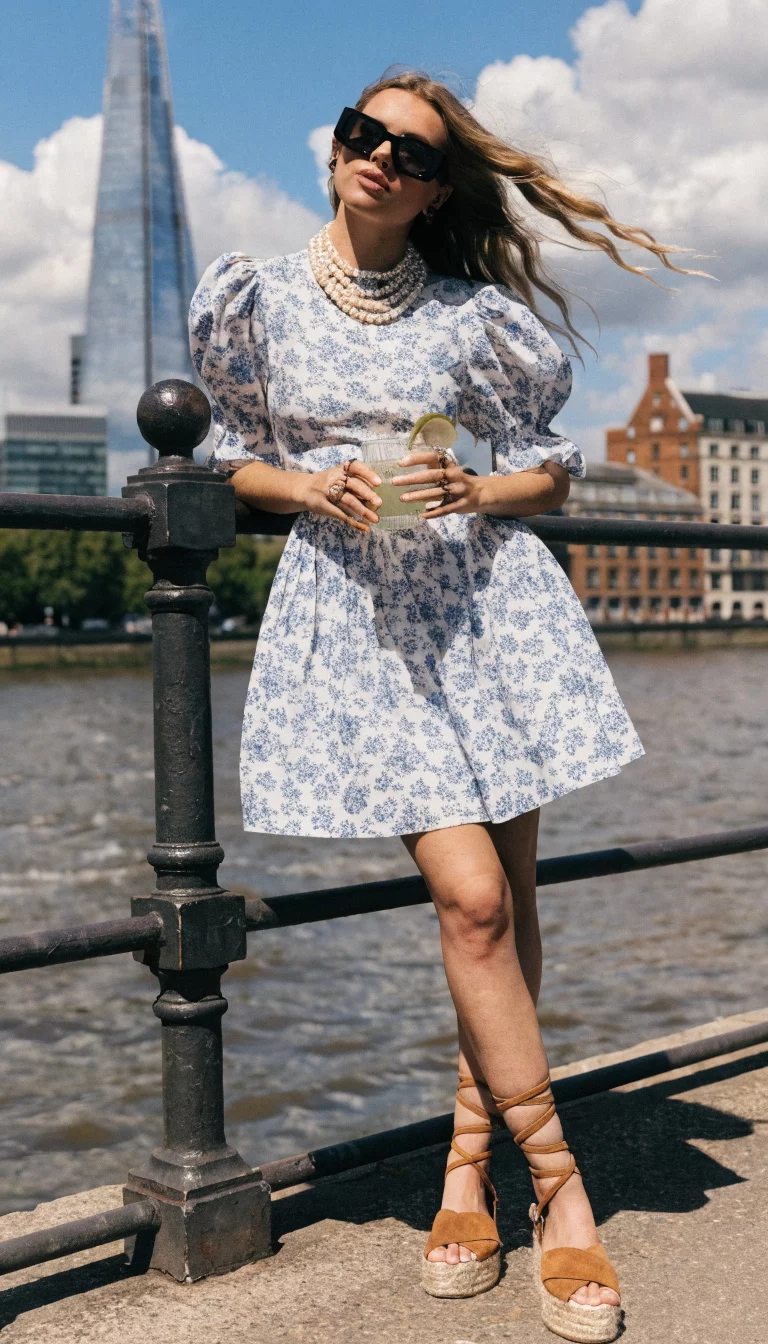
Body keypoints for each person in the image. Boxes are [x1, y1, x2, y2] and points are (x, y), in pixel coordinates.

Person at [190, 70, 696, 1343]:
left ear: (438, 188)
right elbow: (219, 459)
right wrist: (310, 492)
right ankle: (562, 1191)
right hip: (359, 627)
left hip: (485, 610)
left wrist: (476, 491)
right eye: (363, 136)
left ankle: (465, 1173)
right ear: (334, 149)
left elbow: (551, 463)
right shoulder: (250, 296)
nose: (380, 160)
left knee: (507, 909)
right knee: (473, 901)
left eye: (411, 154)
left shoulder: (477, 318)